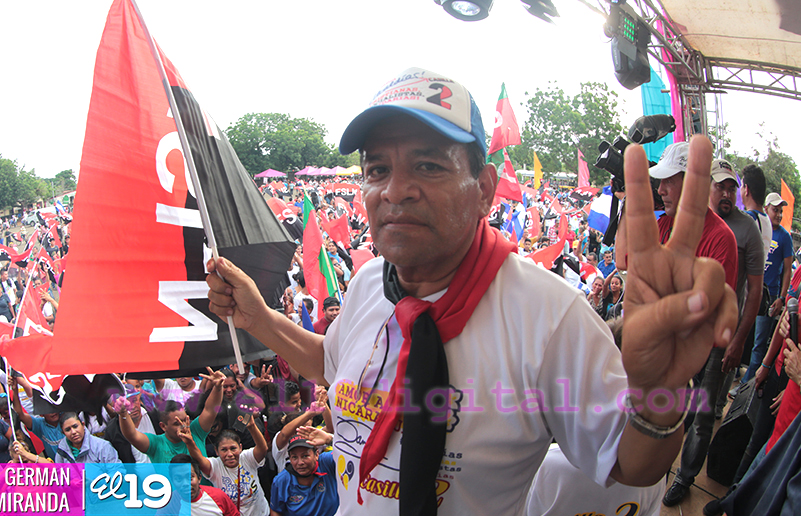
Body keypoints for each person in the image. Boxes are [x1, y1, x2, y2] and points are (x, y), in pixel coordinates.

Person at [206, 68, 737, 514]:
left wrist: (660, 394)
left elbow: (632, 464)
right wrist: (258, 319)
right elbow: (331, 360)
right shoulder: (369, 282)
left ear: (484, 189)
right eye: (377, 169)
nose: (395, 189)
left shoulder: (550, 315)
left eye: (428, 165)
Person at [652, 143, 738, 507]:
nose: (660, 189)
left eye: (669, 181)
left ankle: (684, 477)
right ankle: (655, 470)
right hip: (667, 341)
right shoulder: (662, 224)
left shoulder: (722, 238)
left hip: (705, 347)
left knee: (700, 417)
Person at [707, 159, 764, 410]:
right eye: (720, 187)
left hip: (723, 335)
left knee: (706, 413)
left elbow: (755, 290)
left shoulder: (748, 229)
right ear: (707, 186)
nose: (727, 194)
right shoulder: (693, 219)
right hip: (689, 328)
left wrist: (739, 340)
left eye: (731, 189)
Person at [117, 367, 225, 463]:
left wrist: (218, 387)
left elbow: (210, 410)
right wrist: (123, 414)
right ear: (163, 426)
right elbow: (132, 435)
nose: (183, 425)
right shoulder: (156, 444)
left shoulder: (196, 431)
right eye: (176, 423)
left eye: (184, 420)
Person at [746, 193, 794, 387]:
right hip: (749, 291)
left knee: (759, 342)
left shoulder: (785, 237)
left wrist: (781, 297)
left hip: (769, 296)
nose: (779, 215)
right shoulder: (757, 228)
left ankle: (748, 384)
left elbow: (787, 271)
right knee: (744, 334)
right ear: (766, 209)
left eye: (781, 211)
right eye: (776, 210)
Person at [180, 419, 269, 516]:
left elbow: (263, 449)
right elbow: (199, 459)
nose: (229, 454)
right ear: (216, 451)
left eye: (233, 448)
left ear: (240, 447)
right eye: (224, 450)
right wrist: (189, 442)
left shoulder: (247, 458)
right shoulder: (215, 466)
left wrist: (252, 427)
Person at [269, 437, 338, 516]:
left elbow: (348, 453)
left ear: (316, 454)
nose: (300, 462)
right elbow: (275, 510)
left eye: (305, 456)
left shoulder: (326, 462)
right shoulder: (281, 481)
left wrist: (330, 439)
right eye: (294, 457)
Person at [171, 454, 241, 516]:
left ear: (199, 478)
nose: (185, 484)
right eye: (178, 479)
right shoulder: (169, 504)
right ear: (172, 482)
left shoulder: (218, 496)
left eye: (190, 477)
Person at [54, 412, 120, 463]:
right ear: (63, 433)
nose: (73, 432)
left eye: (75, 426)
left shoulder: (103, 446)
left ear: (83, 425)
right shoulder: (61, 451)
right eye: (68, 430)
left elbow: (117, 472)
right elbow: (59, 474)